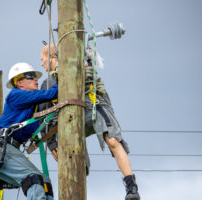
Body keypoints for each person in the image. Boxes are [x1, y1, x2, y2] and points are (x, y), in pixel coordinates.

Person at [39, 44, 140, 200]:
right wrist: (52, 143)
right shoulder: (48, 83)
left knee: (113, 140)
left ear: (52, 56)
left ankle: (131, 186)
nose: (41, 63)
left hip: (93, 107)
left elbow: (93, 79)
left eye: (42, 59)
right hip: (69, 120)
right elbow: (42, 114)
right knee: (72, 158)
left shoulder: (79, 66)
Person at [0, 62, 58, 200]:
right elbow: (51, 94)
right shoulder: (16, 95)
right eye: (30, 77)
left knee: (44, 181)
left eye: (35, 77)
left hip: (8, 150)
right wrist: (63, 80)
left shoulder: (32, 107)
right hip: (0, 148)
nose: (36, 79)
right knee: (33, 179)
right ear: (19, 83)